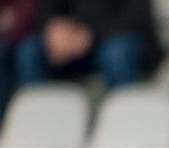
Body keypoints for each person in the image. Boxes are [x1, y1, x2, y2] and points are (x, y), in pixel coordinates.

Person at [11, 0, 159, 96]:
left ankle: (125, 119)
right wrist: (53, 29)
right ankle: (42, 121)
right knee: (30, 50)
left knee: (116, 54)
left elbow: (138, 19)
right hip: (76, 47)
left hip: (119, 42)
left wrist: (90, 34)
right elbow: (48, 11)